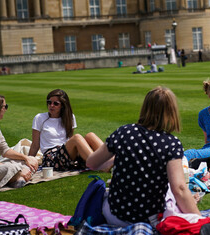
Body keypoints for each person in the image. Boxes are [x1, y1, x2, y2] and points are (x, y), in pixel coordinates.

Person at [85, 87, 201, 225]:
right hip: (150, 218)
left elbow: (91, 163)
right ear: (171, 112)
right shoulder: (171, 143)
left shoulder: (123, 132)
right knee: (171, 188)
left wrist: (124, 158)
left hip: (115, 215)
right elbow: (180, 189)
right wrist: (201, 220)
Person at [29, 89, 100, 171]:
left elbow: (69, 138)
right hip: (51, 158)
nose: (51, 105)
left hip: (66, 154)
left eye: (55, 103)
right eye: (49, 102)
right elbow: (35, 145)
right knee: (77, 138)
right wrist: (28, 161)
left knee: (90, 135)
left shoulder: (69, 117)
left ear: (62, 105)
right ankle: (100, 165)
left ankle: (114, 161)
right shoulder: (40, 118)